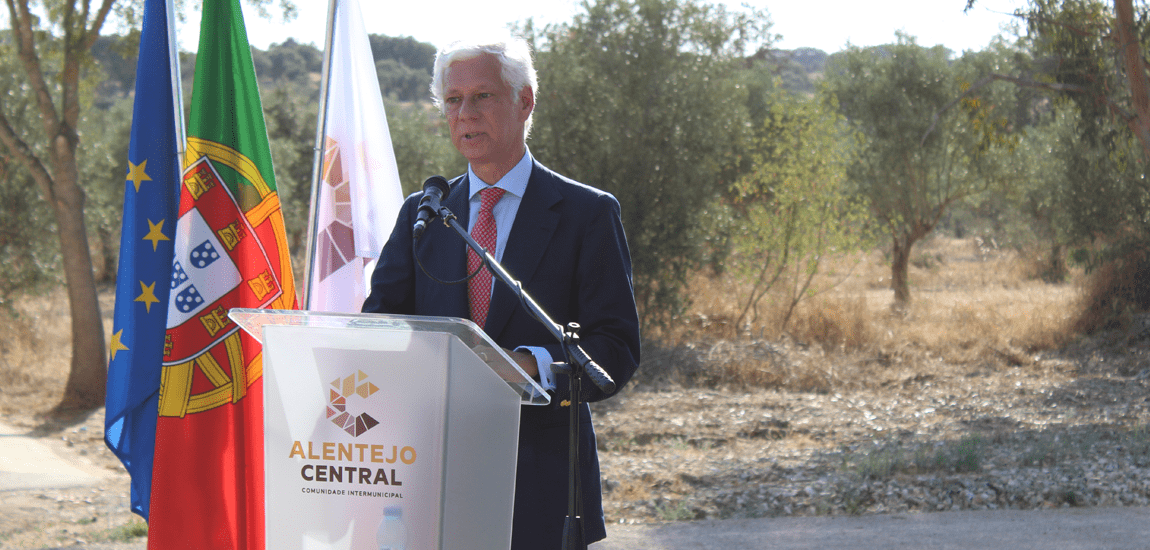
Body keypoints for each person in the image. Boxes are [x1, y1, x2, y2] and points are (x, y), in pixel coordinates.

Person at [361, 32, 641, 549]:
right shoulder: (424, 215)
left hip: (542, 491)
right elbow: (381, 327)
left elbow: (615, 351)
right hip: (434, 478)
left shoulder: (586, 214)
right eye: (453, 99)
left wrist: (531, 364)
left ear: (525, 101)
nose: (465, 112)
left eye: (482, 96)